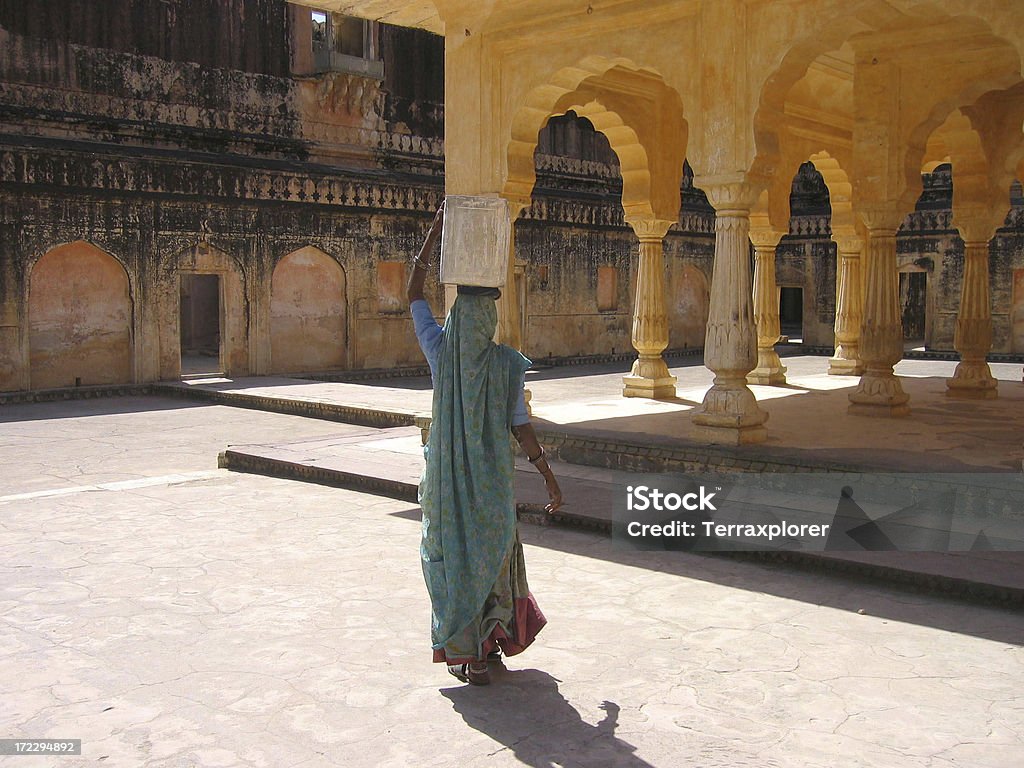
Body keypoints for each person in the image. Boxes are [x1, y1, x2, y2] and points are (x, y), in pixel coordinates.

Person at [407, 202, 563, 687]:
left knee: (456, 556)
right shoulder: (506, 365)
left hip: (452, 485)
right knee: (493, 557)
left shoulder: (441, 352)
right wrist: (549, 479)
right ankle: (484, 641)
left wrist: (434, 234)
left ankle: (471, 646)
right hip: (494, 486)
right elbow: (523, 428)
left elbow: (412, 292)